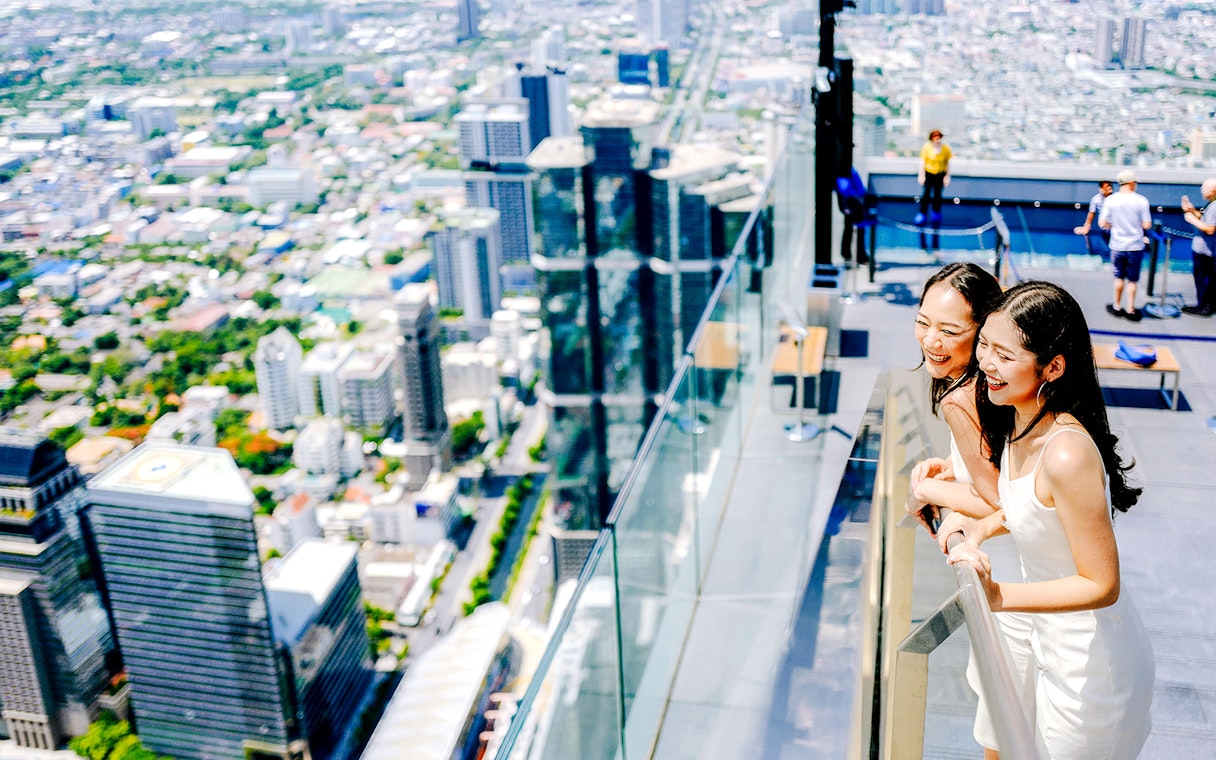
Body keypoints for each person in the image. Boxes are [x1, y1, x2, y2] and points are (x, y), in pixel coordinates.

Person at [937, 281, 1155, 760]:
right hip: (1052, 647)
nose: (986, 364)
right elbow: (1030, 509)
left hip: (1092, 671)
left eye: (1005, 355)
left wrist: (1000, 597)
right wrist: (981, 526)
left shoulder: (1066, 451)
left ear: (1053, 366)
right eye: (985, 346)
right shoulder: (1020, 418)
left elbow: (1103, 583)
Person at [904, 263, 1035, 760]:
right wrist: (951, 474)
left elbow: (1000, 499)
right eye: (923, 322)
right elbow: (1000, 472)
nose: (931, 341)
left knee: (1003, 731)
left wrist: (927, 492)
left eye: (950, 330)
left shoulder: (962, 396)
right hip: (1023, 561)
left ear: (984, 330)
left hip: (1012, 572)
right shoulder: (995, 383)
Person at [1098, 169, 1151, 321]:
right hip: (1135, 246)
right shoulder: (1141, 201)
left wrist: (1114, 225)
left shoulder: (1110, 200)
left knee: (1118, 277)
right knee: (1132, 280)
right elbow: (1147, 225)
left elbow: (1102, 222)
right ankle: (1130, 309)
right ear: (1132, 183)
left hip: (1117, 245)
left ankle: (1117, 306)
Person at [1180, 178, 1216, 317]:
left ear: (1213, 190)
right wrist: (1192, 210)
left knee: (1204, 279)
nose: (1201, 190)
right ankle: (1208, 304)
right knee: (1207, 279)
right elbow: (1206, 219)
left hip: (1206, 251)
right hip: (1205, 249)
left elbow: (1210, 228)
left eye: (1204, 188)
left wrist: (1190, 218)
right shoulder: (1212, 204)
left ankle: (1204, 306)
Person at [836, 168, 872, 265]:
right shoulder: (843, 171)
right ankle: (855, 256)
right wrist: (857, 198)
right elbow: (845, 188)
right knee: (854, 229)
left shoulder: (848, 169)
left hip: (853, 202)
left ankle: (850, 255)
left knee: (853, 229)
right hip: (852, 203)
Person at [1073, 180, 1113, 257]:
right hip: (1105, 226)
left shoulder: (1115, 198)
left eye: (1110, 186)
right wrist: (1086, 226)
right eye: (1107, 186)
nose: (1109, 188)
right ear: (1101, 189)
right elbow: (1092, 213)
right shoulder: (1096, 199)